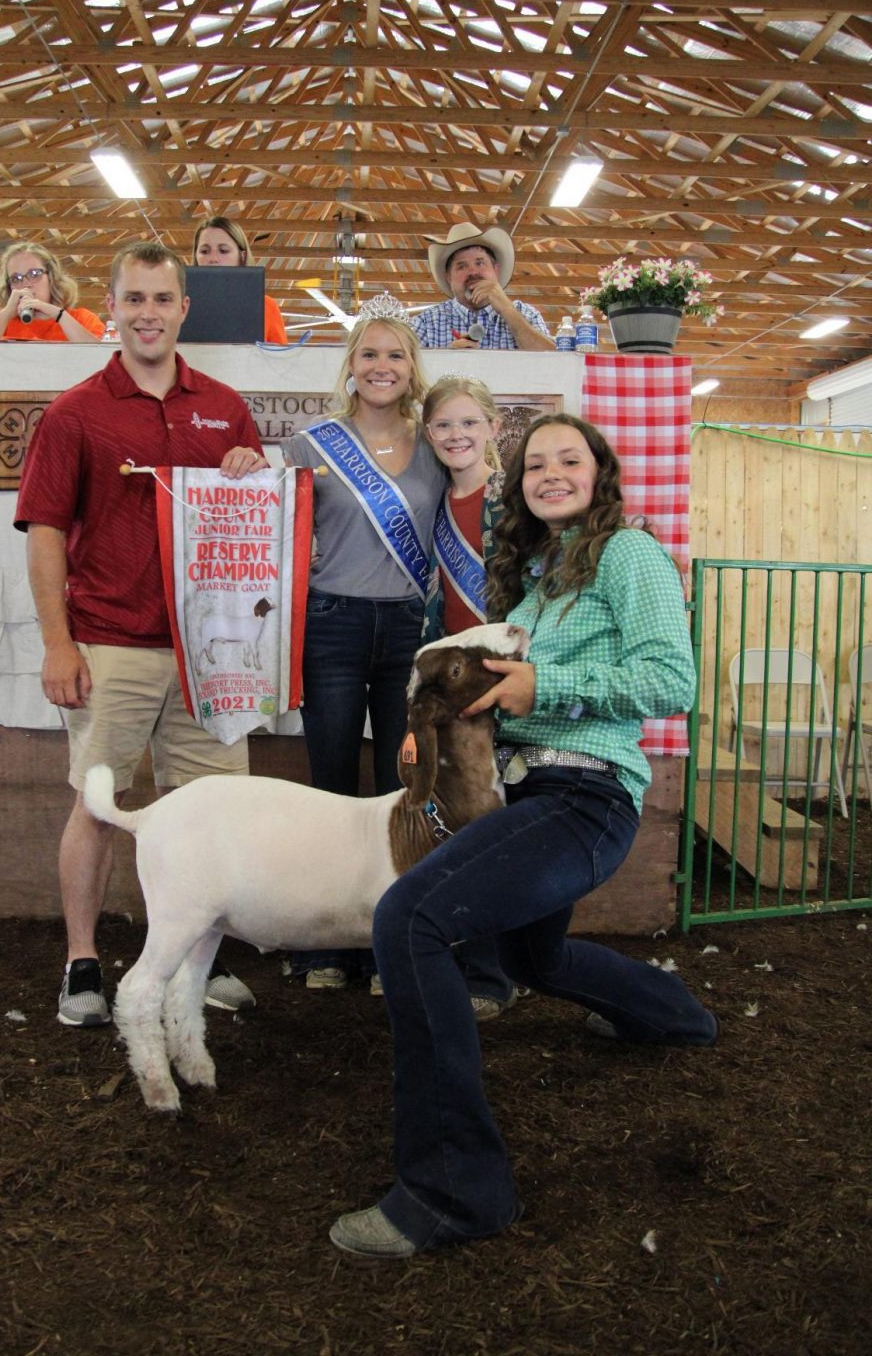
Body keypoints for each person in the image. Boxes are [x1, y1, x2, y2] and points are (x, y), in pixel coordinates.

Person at [329, 413, 717, 1259]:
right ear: (521, 486)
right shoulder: (536, 587)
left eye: (569, 459)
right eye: (536, 464)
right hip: (531, 792)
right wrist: (433, 732)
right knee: (533, 959)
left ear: (599, 472)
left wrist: (545, 684)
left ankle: (453, 1193)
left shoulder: (628, 553)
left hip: (588, 796)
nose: (551, 474)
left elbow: (670, 679)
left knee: (409, 919)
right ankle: (676, 1016)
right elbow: (505, 701)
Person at [14, 241, 268, 1027]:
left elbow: (257, 521)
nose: (148, 314)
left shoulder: (224, 406)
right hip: (110, 642)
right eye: (134, 299)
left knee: (210, 815)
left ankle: (198, 961)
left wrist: (251, 471)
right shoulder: (74, 411)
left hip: (209, 652)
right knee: (98, 805)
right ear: (112, 308)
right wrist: (58, 643)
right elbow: (45, 531)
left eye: (162, 299)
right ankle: (81, 963)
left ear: (184, 309)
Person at [282, 297, 444, 991]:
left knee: (402, 790)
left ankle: (391, 942)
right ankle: (323, 944)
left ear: (412, 369)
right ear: (350, 366)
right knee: (331, 787)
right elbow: (273, 524)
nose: (382, 365)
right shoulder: (311, 445)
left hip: (410, 631)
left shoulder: (437, 443)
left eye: (395, 354)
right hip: (333, 625)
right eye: (369, 353)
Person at [420, 375, 515, 1021]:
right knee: (457, 819)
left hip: (503, 676)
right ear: (428, 434)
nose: (457, 435)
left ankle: (494, 969)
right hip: (452, 685)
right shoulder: (430, 502)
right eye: (443, 425)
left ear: (493, 428)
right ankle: (456, 954)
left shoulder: (513, 499)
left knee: (496, 826)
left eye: (468, 423)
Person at [415, 222, 551, 351]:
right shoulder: (426, 322)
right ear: (449, 278)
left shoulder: (525, 313)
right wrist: (447, 357)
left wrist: (507, 310)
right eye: (462, 266)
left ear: (496, 271)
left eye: (480, 263)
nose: (473, 272)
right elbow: (407, 365)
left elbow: (553, 361)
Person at [0, 242, 105, 343]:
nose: (26, 284)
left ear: (51, 277)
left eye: (34, 274)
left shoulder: (82, 319)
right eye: (16, 279)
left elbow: (100, 359)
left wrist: (58, 315)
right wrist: (6, 314)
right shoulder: (0, 320)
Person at [192, 215, 289, 344]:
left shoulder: (266, 307)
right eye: (204, 251)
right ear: (195, 256)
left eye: (223, 250)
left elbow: (281, 355)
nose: (213, 258)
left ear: (242, 256)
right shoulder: (180, 305)